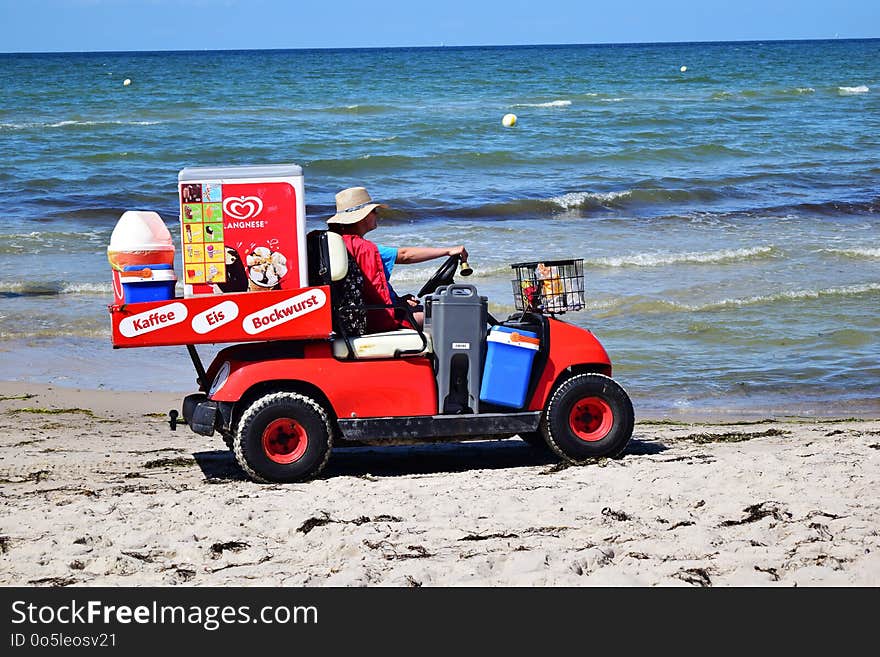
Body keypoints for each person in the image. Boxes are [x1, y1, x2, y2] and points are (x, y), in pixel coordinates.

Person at [327, 186, 467, 332]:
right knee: (454, 315)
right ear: (364, 217)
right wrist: (449, 250)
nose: (377, 214)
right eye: (374, 211)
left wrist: (398, 301)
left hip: (359, 313)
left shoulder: (339, 244)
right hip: (378, 316)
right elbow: (405, 255)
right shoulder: (362, 249)